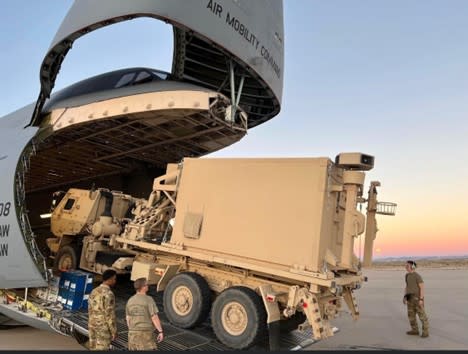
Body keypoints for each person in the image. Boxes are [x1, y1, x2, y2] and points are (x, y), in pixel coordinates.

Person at [126, 277, 164, 350]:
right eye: (146, 285)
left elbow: (128, 318)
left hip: (132, 334)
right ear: (143, 287)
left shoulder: (130, 300)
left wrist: (132, 329)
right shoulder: (149, 299)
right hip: (145, 334)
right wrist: (160, 331)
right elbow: (154, 317)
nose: (148, 286)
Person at [88, 269, 118, 350]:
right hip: (102, 327)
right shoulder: (109, 294)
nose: (115, 281)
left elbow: (90, 309)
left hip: (92, 324)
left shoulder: (94, 291)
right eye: (114, 279)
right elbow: (110, 315)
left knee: (93, 348)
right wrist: (113, 331)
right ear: (110, 279)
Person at [403, 260, 429, 337]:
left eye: (407, 266)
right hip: (409, 298)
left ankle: (425, 332)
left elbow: (422, 288)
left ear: (412, 267)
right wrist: (405, 296)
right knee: (411, 316)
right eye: (406, 266)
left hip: (417, 299)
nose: (406, 267)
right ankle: (415, 330)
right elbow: (407, 286)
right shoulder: (407, 275)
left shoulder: (417, 276)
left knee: (422, 316)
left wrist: (421, 299)